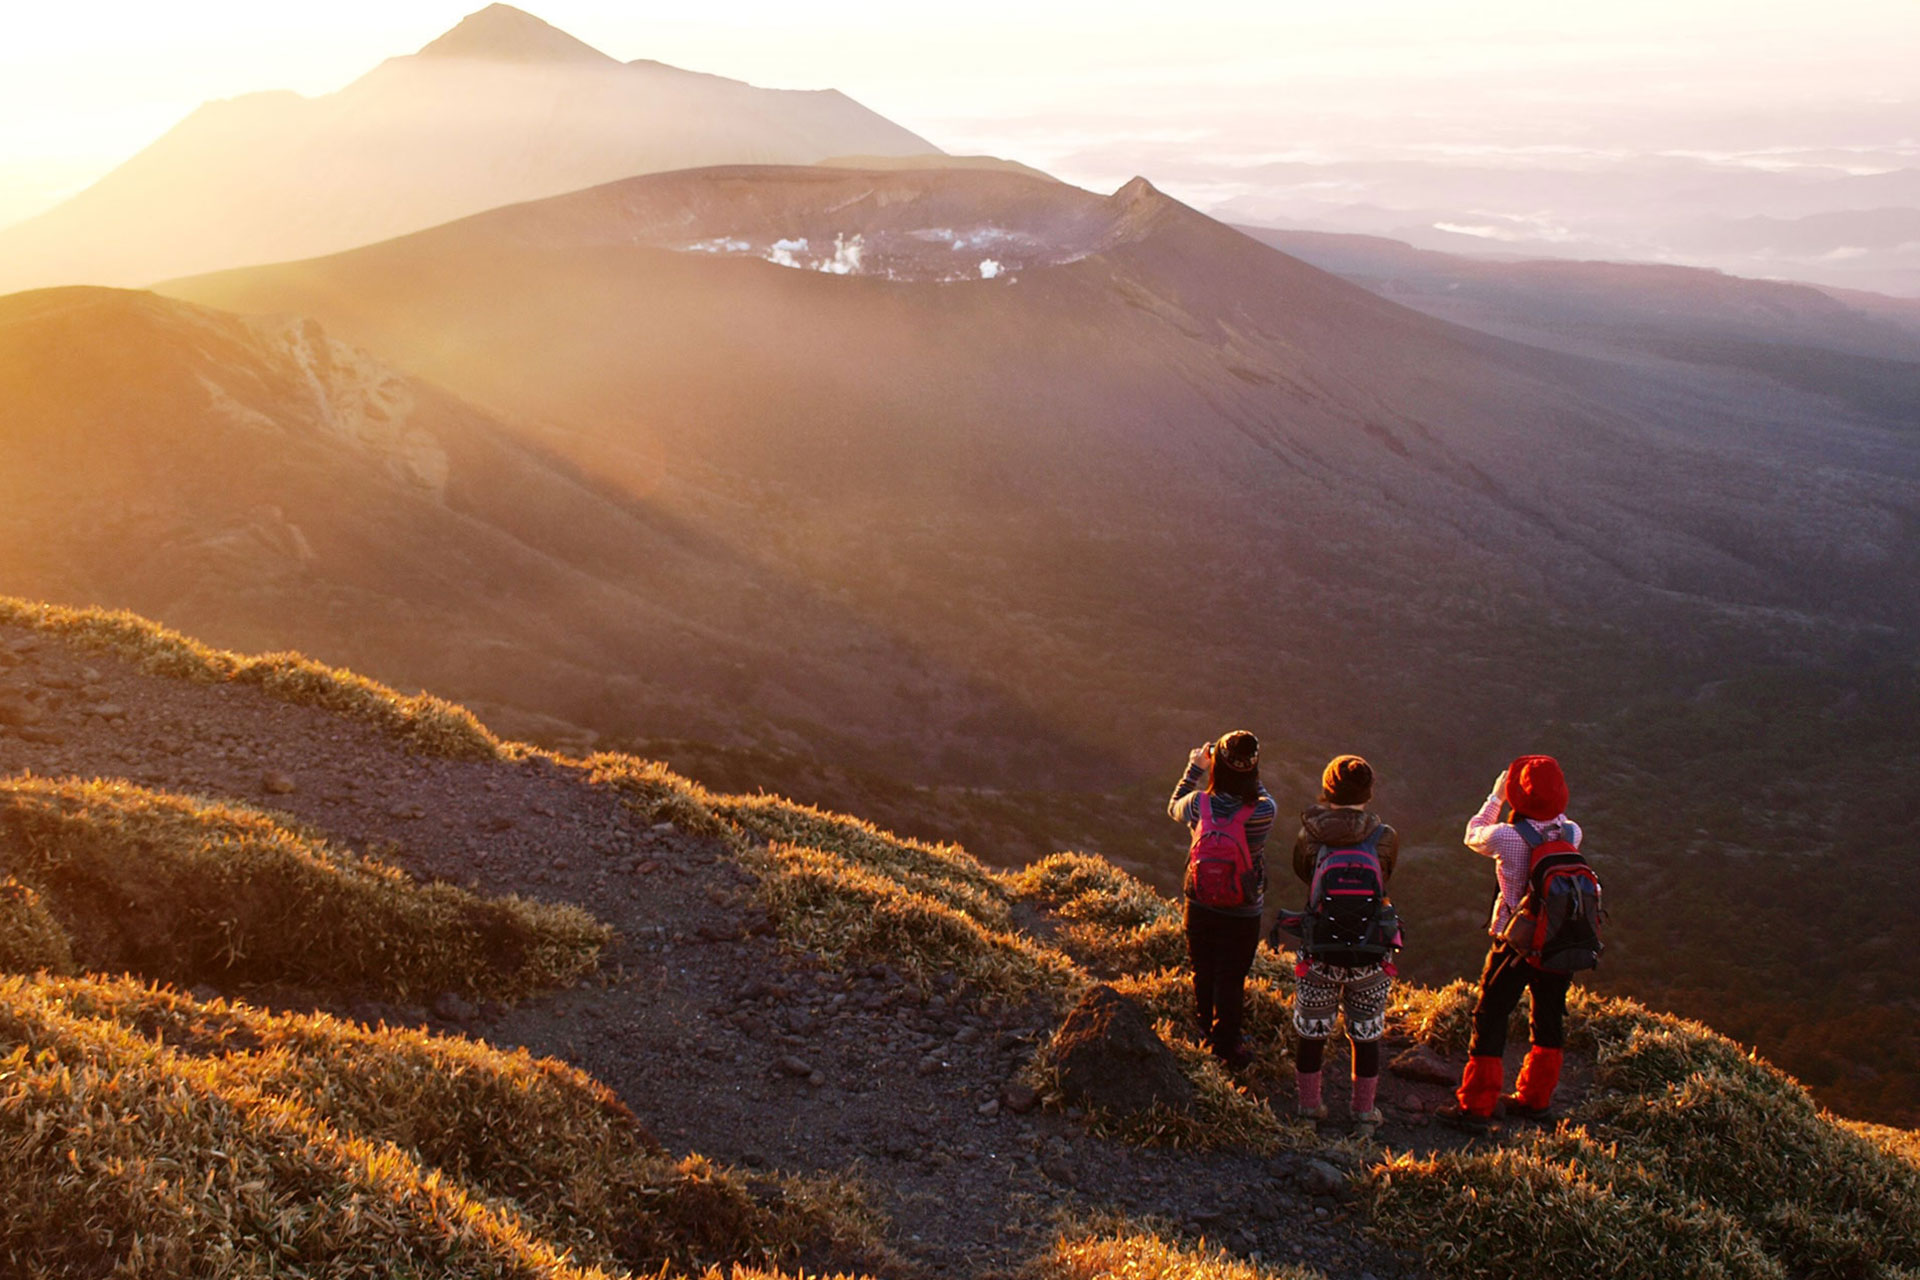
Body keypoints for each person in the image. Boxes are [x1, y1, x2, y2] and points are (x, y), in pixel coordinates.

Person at [1444, 754, 1585, 1128]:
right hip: (1557, 942)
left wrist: (1495, 799)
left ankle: (1476, 1106)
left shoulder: (1507, 837)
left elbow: (1472, 834)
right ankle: (1536, 1099)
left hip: (1514, 944)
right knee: (1549, 1016)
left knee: (1491, 1017)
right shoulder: (1572, 832)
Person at [1287, 754, 1399, 1137]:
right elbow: (1384, 877)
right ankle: (1364, 1115)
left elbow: (1304, 873)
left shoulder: (1310, 833)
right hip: (1369, 951)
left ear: (1327, 790)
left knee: (1311, 1030)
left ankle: (1308, 1110)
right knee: (1366, 1033)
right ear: (1368, 793)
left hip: (1320, 947)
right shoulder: (1384, 836)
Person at [1169, 730, 1276, 1070]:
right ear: (1253, 770)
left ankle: (1203, 1028)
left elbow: (1173, 806)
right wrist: (1248, 770)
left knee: (1203, 968)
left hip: (1199, 901)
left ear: (1218, 766)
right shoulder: (1263, 811)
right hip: (1243, 908)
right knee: (1231, 976)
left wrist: (1196, 768)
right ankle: (1227, 1047)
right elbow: (1258, 792)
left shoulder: (1199, 804)